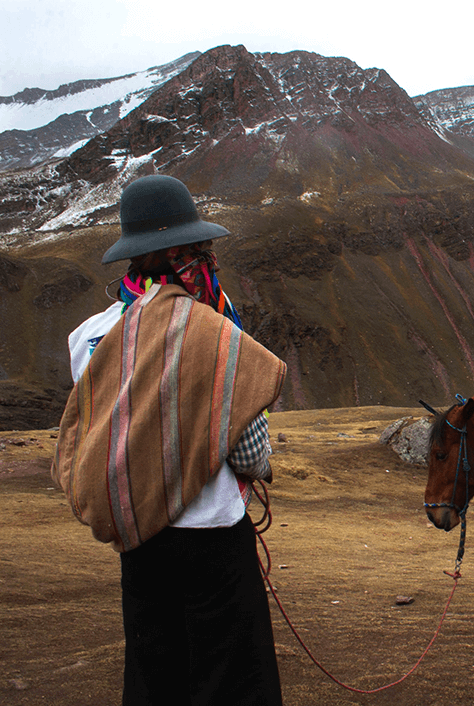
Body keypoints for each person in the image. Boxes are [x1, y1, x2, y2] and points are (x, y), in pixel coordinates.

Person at [51, 174, 287, 705]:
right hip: (212, 539)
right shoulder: (215, 333)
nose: (210, 261)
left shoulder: (88, 336)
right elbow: (249, 451)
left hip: (136, 538)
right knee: (231, 679)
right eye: (202, 250)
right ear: (182, 256)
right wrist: (258, 467)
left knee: (155, 676)